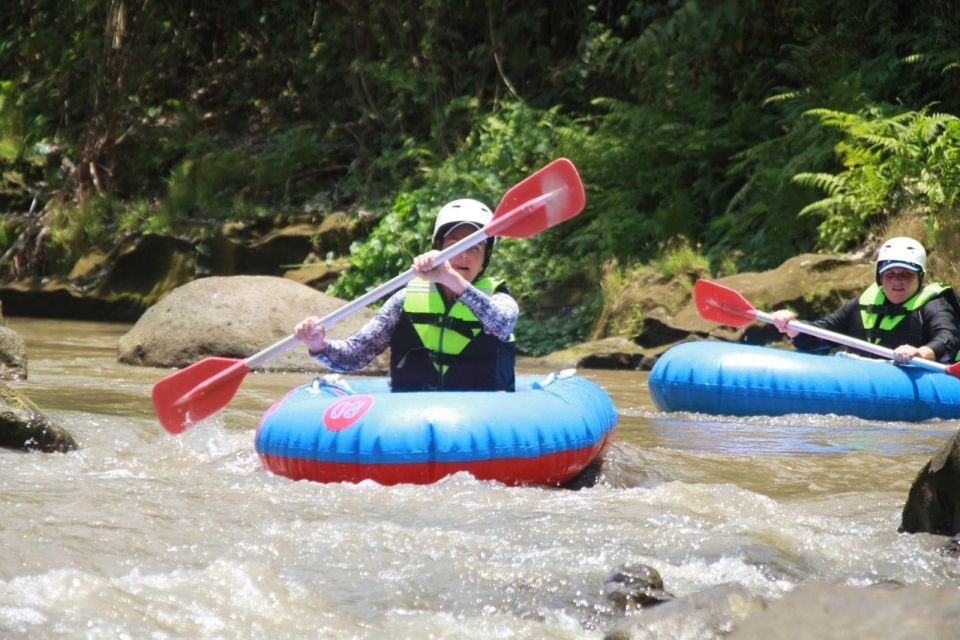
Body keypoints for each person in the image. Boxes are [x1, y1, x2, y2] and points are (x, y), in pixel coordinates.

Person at [293, 198, 518, 391]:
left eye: (474, 248)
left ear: (485, 258)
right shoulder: (404, 301)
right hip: (412, 417)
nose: (464, 256)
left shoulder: (499, 299)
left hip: (479, 419)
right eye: (455, 246)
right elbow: (355, 356)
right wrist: (319, 345)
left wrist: (452, 280)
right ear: (438, 248)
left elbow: (502, 324)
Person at [771, 236, 960, 364]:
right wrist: (793, 327)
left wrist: (920, 353)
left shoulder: (934, 305)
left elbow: (947, 338)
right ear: (879, 277)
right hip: (870, 377)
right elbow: (820, 334)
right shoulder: (861, 305)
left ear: (920, 277)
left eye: (906, 274)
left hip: (929, 378)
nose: (897, 281)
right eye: (890, 274)